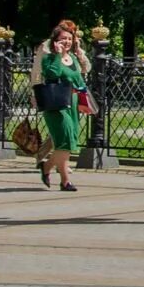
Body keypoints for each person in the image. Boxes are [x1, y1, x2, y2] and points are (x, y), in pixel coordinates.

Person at [37, 22, 91, 191]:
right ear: (55, 41)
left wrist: (85, 102)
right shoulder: (49, 57)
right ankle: (65, 181)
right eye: (63, 39)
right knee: (65, 140)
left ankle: (46, 167)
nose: (67, 41)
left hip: (73, 102)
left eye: (69, 38)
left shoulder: (73, 58)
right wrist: (58, 55)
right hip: (56, 104)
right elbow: (52, 74)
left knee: (69, 140)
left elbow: (79, 80)